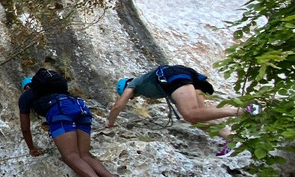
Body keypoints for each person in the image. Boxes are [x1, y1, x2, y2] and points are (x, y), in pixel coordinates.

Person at [19, 71, 134, 177]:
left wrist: (31, 148)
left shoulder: (27, 95)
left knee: (70, 156)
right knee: (83, 155)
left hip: (60, 110)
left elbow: (25, 128)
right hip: (79, 107)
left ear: (28, 87)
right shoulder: (58, 90)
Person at [107, 65, 255, 155]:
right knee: (199, 115)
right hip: (184, 75)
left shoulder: (134, 83)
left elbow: (118, 106)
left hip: (173, 77)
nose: (131, 98)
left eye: (130, 97)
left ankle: (241, 111)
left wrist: (110, 123)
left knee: (190, 114)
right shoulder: (149, 85)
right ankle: (231, 139)